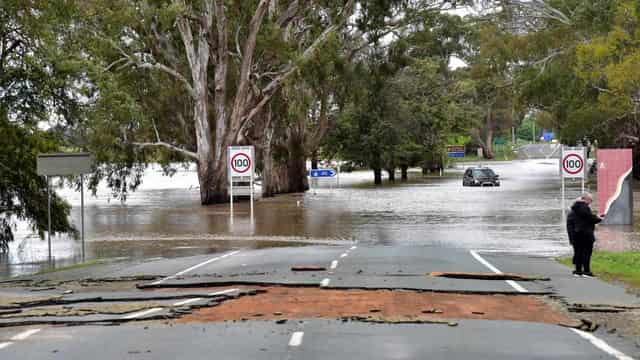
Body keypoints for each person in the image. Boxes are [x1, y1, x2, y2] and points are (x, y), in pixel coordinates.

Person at [570, 193, 604, 277]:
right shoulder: (584, 207)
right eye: (590, 200)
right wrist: (599, 218)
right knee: (587, 253)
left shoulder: (574, 208)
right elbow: (590, 219)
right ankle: (586, 271)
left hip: (576, 234)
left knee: (578, 253)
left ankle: (578, 271)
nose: (591, 201)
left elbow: (582, 218)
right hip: (586, 234)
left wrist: (571, 237)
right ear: (585, 199)